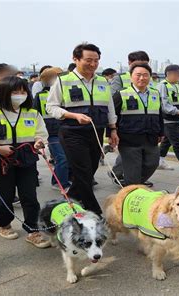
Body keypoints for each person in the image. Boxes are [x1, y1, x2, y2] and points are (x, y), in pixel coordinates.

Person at [0, 76, 50, 248]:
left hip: (26, 158)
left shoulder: (32, 112)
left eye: (23, 92)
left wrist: (39, 142)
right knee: (3, 196)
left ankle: (33, 230)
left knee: (29, 195)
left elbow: (41, 133)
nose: (20, 95)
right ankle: (3, 224)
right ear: (4, 93)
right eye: (15, 92)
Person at [46, 43, 118, 216]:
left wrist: (113, 130)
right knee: (83, 171)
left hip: (96, 132)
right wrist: (73, 115)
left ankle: (69, 201)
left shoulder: (102, 81)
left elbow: (110, 108)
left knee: (89, 170)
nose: (93, 64)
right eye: (88, 60)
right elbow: (51, 107)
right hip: (72, 132)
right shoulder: (63, 80)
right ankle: (94, 212)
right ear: (75, 59)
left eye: (96, 60)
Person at [113, 62, 162, 185]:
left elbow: (159, 114)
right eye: (138, 75)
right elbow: (112, 116)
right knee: (133, 171)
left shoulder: (155, 93)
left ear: (150, 77)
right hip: (129, 140)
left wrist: (161, 132)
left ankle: (134, 184)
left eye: (145, 75)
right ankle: (132, 189)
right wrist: (112, 133)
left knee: (152, 163)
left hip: (151, 138)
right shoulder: (121, 94)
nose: (142, 78)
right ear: (131, 77)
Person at [109, 50, 151, 186]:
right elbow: (112, 100)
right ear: (129, 63)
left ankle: (131, 178)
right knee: (129, 154)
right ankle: (125, 178)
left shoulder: (147, 77)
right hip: (126, 121)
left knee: (141, 157)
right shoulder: (120, 78)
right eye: (138, 64)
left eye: (145, 64)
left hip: (145, 124)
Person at [33, 67, 71, 190]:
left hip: (67, 130)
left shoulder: (67, 91)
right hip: (52, 132)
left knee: (66, 158)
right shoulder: (40, 96)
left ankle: (60, 180)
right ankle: (60, 184)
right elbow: (35, 115)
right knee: (62, 158)